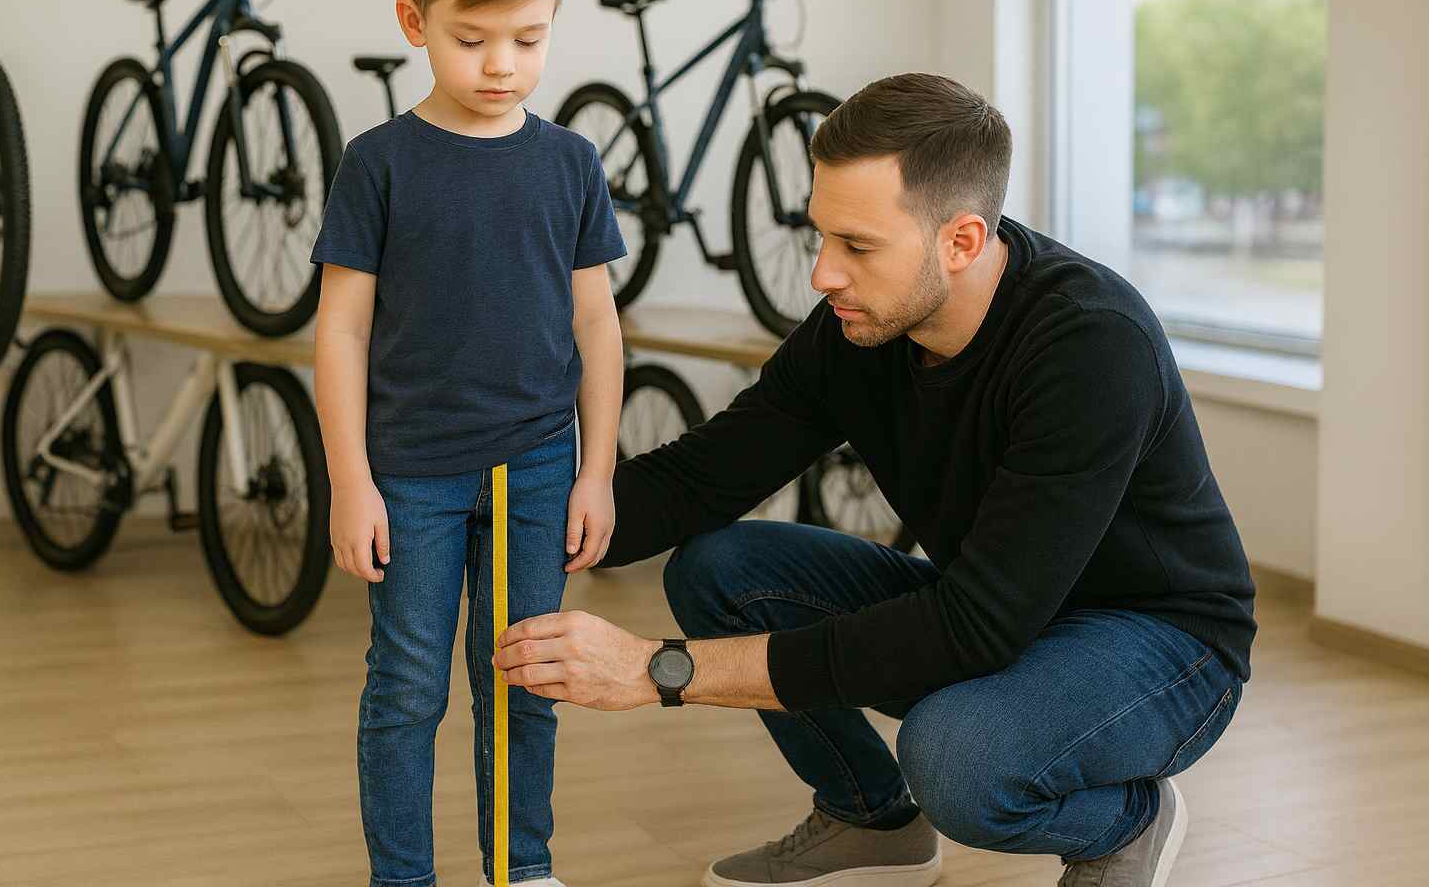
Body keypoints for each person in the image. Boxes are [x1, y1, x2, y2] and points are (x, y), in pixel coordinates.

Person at [495, 73, 1256, 887]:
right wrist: (501, 522)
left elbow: (972, 631)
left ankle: (1126, 821)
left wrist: (658, 671)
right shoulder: (859, 330)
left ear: (961, 241)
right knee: (723, 569)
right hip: (1006, 608)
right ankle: (872, 822)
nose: (823, 275)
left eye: (857, 246)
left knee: (955, 757)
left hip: (1162, 645)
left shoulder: (1090, 347)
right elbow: (701, 478)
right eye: (822, 236)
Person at [311, 0, 626, 887]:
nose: (503, 65)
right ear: (415, 21)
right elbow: (342, 330)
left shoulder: (572, 163)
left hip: (538, 466)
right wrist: (351, 480)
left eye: (528, 39)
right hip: (410, 473)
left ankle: (520, 869)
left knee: (525, 685)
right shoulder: (379, 164)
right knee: (407, 690)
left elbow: (596, 324)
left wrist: (597, 472)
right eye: (473, 37)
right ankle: (402, 877)